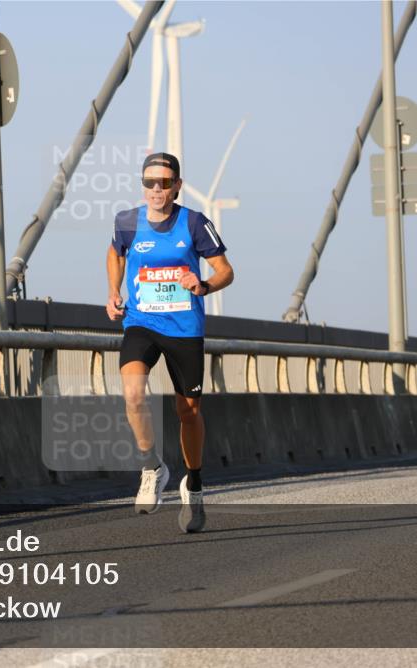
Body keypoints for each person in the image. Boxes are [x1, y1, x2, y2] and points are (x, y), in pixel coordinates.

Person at [105, 152, 234, 533]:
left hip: (184, 327)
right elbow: (115, 253)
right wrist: (113, 291)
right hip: (141, 322)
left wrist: (204, 284)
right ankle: (152, 467)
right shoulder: (127, 221)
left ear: (177, 185)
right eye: (149, 183)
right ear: (142, 186)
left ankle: (193, 483)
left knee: (188, 411)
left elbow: (225, 270)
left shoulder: (194, 223)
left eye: (164, 183)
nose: (156, 189)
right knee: (132, 393)